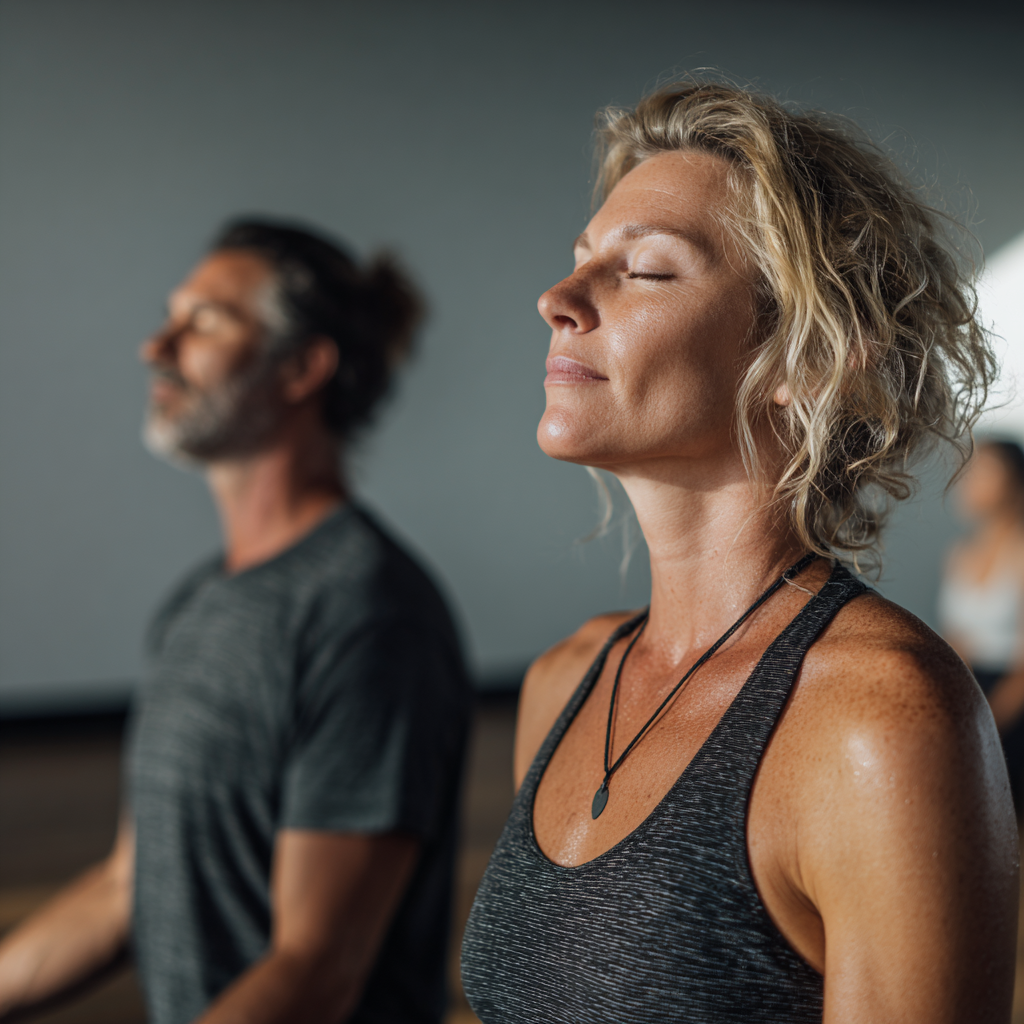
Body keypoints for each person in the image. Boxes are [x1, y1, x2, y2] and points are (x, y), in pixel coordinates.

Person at [461, 81, 1018, 1023]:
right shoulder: (564, 685)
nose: (558, 299)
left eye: (644, 271)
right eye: (580, 261)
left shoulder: (878, 721)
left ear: (806, 359)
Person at [0, 220, 472, 1024]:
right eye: (169, 316)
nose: (158, 346)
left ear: (301, 368)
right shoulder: (198, 604)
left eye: (205, 321)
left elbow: (315, 970)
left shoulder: (368, 616)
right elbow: (128, 884)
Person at [941, 437, 1024, 806]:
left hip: (1012, 703)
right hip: (970, 692)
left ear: (1014, 481)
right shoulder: (959, 554)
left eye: (984, 470)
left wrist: (990, 722)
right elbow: (955, 637)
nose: (969, 479)